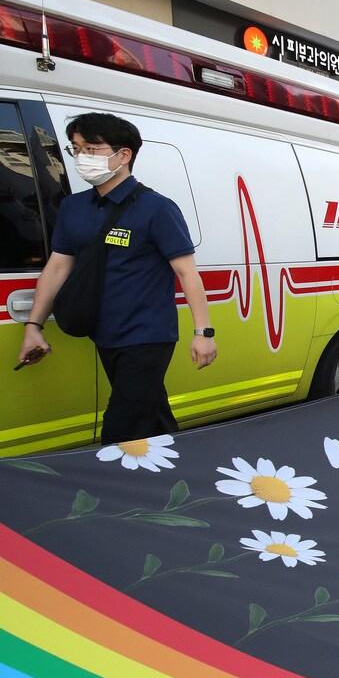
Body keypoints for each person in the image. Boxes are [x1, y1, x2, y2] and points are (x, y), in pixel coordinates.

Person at [17, 113, 218, 444]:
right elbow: (57, 268)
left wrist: (204, 333)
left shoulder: (157, 208)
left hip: (147, 335)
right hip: (104, 333)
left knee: (122, 427)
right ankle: (178, 468)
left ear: (123, 155)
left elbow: (186, 272)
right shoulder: (73, 207)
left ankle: (110, 488)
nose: (82, 157)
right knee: (149, 414)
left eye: (92, 148)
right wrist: (33, 327)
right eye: (77, 148)